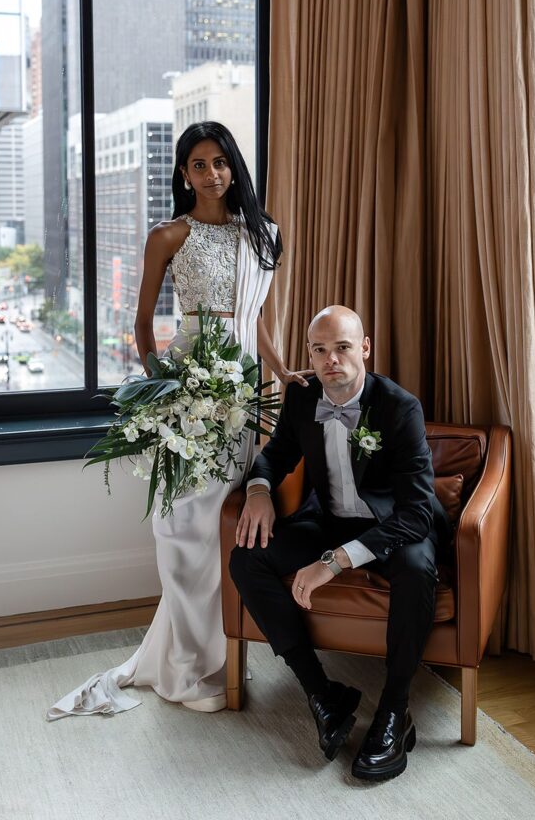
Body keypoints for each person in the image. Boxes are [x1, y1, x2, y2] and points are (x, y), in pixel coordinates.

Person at [47, 121, 311, 721]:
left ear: (233, 165)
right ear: (183, 173)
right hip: (192, 393)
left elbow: (255, 318)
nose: (211, 173)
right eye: (198, 164)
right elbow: (143, 324)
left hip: (246, 397)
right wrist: (162, 390)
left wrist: (283, 369)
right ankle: (188, 664)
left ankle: (225, 655)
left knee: (233, 527)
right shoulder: (169, 235)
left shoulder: (263, 233)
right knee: (187, 531)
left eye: (220, 161)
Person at [229, 305, 451, 781]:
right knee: (247, 558)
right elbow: (273, 458)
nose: (331, 360)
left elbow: (415, 512)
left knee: (416, 571)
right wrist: (259, 492)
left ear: (365, 348)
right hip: (328, 521)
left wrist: (332, 563)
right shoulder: (302, 396)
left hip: (393, 530)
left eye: (343, 347)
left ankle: (394, 711)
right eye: (320, 349)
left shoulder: (398, 406)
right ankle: (322, 693)